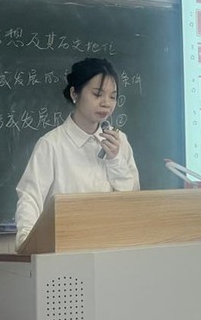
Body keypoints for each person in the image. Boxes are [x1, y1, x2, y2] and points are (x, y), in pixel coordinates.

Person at [14, 57, 139, 251]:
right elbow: (30, 198)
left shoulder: (119, 142)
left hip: (112, 247)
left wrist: (115, 160)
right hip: (65, 248)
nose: (106, 103)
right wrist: (26, 244)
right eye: (97, 94)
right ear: (75, 93)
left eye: (113, 97)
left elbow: (132, 204)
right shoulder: (51, 145)